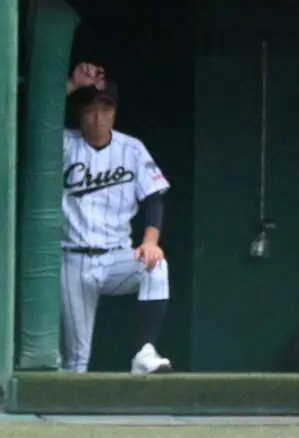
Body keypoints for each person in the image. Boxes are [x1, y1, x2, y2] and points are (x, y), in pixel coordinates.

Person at [61, 62, 173, 374]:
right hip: (73, 260)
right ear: (79, 113)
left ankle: (145, 352)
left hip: (116, 258)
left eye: (106, 108)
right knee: (76, 360)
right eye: (91, 108)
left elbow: (153, 199)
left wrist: (150, 242)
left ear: (115, 112)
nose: (99, 117)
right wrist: (73, 84)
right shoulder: (61, 143)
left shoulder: (132, 149)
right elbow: (34, 119)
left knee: (156, 266)